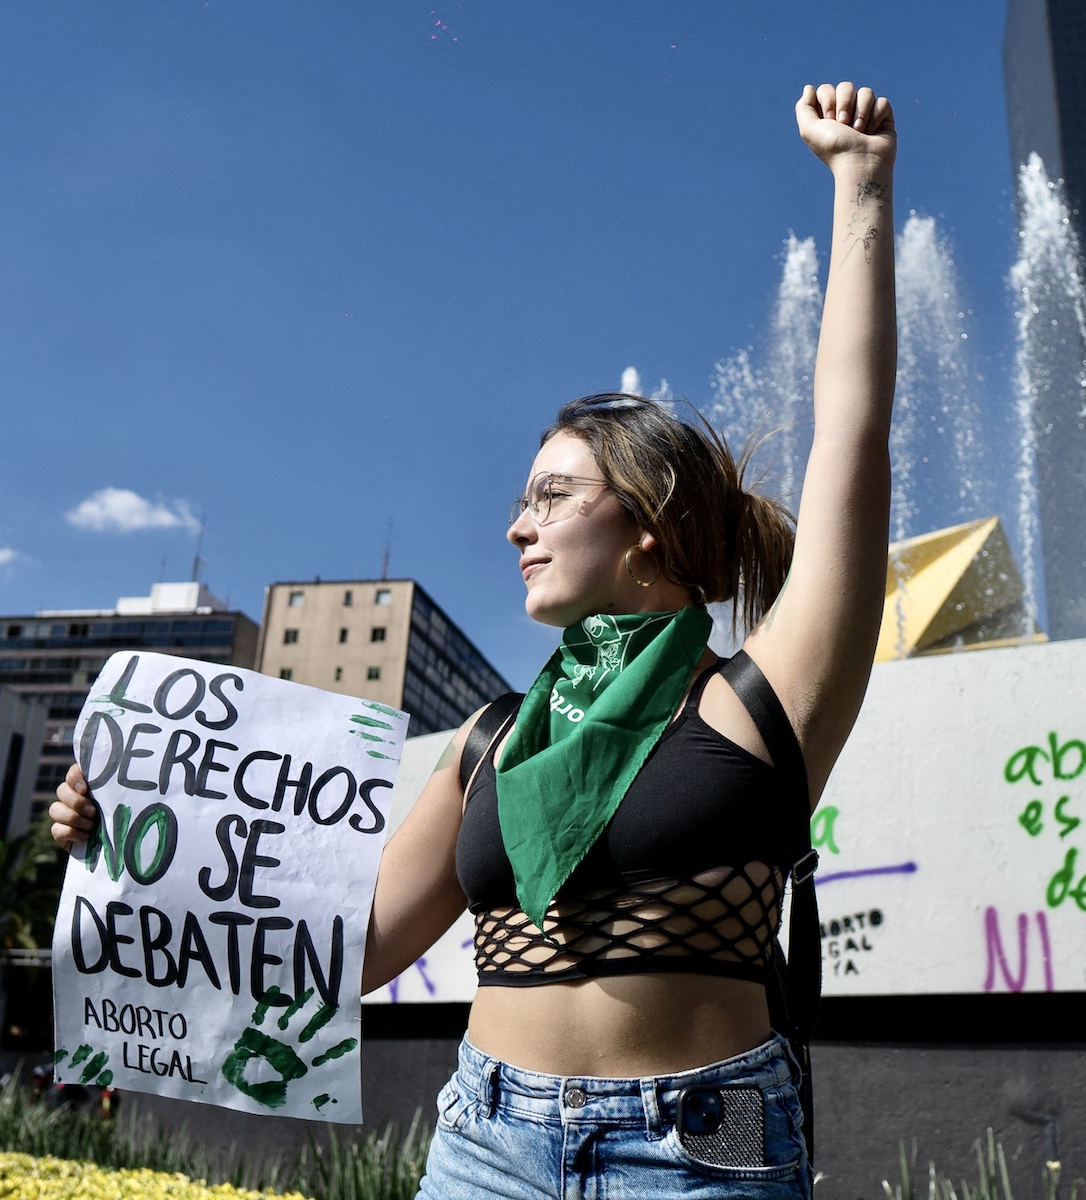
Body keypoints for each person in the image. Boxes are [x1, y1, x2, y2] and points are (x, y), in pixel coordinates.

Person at [51, 79, 896, 1198]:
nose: (515, 526)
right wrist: (129, 851)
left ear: (647, 526)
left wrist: (861, 185)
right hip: (487, 1142)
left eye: (550, 497)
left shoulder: (760, 701)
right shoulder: (490, 740)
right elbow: (342, 952)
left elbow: (852, 428)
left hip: (707, 1147)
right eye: (521, 501)